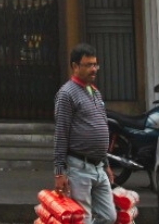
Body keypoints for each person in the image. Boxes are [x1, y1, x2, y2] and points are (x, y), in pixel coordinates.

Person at [53, 43, 114, 224]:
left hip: (98, 167)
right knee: (83, 219)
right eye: (88, 65)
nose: (93, 69)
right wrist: (59, 172)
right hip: (79, 167)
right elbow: (61, 133)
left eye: (95, 64)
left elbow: (101, 125)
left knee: (109, 216)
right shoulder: (66, 94)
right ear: (75, 66)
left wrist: (106, 164)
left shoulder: (94, 92)